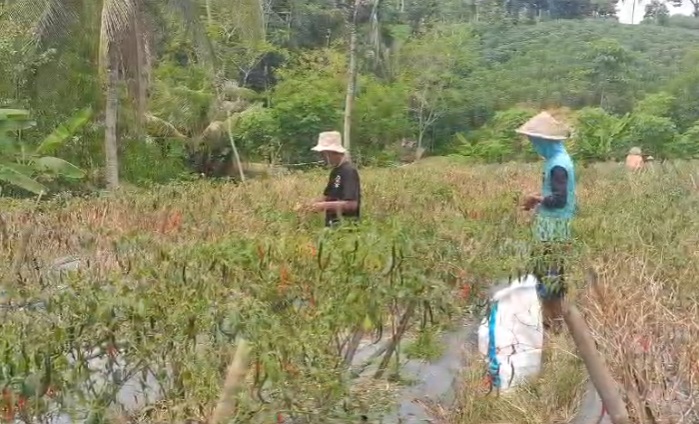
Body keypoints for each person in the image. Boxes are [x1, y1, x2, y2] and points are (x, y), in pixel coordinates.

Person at [517, 112, 576, 331]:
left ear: (546, 141)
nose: (533, 145)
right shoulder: (556, 160)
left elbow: (560, 200)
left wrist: (535, 199)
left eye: (535, 141)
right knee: (549, 276)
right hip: (552, 227)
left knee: (550, 277)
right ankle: (550, 324)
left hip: (554, 230)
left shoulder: (558, 165)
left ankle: (554, 325)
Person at [302, 131, 361, 228]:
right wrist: (308, 205)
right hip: (332, 227)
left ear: (331, 153)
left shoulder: (349, 172)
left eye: (323, 154)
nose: (322, 157)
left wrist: (321, 206)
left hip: (346, 228)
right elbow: (328, 196)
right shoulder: (335, 172)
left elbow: (352, 204)